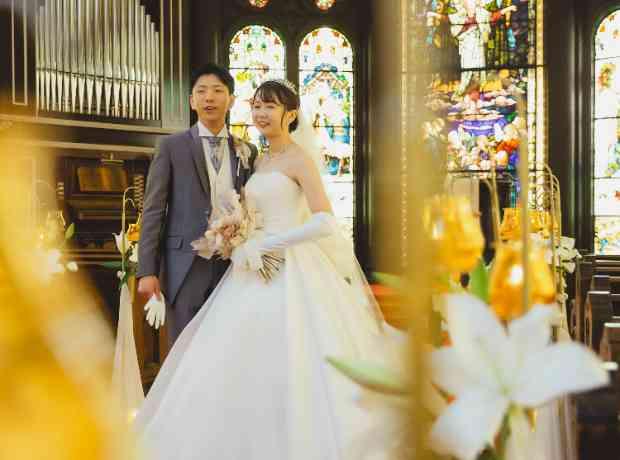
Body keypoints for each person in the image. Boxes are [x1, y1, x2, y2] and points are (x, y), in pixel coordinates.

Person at [134, 79, 391, 459]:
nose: (260, 113)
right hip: (249, 268)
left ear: (290, 114)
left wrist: (270, 243)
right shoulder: (256, 158)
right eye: (256, 105)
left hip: (291, 267)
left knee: (295, 353)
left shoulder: (299, 159)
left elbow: (324, 221)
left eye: (270, 106)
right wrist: (238, 234)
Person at [137, 63, 258, 344]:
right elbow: (153, 210)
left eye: (217, 91)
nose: (209, 97)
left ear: (231, 100)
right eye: (201, 91)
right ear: (192, 101)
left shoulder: (246, 151)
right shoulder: (171, 146)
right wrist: (147, 271)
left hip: (232, 265)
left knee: (228, 347)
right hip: (184, 265)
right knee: (183, 348)